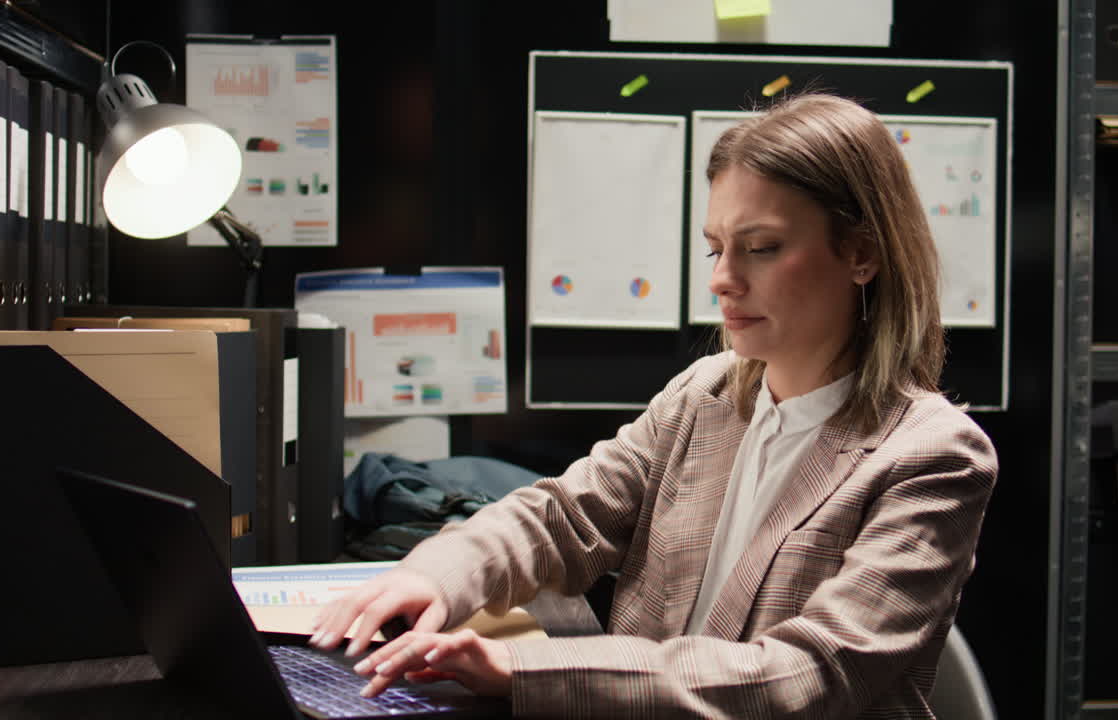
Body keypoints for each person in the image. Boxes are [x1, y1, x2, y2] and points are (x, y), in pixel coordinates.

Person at [310, 92, 999, 718]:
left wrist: (529, 668)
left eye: (761, 248)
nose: (724, 280)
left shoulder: (933, 455)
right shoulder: (705, 395)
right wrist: (434, 573)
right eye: (715, 249)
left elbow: (804, 677)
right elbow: (560, 516)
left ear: (861, 253)